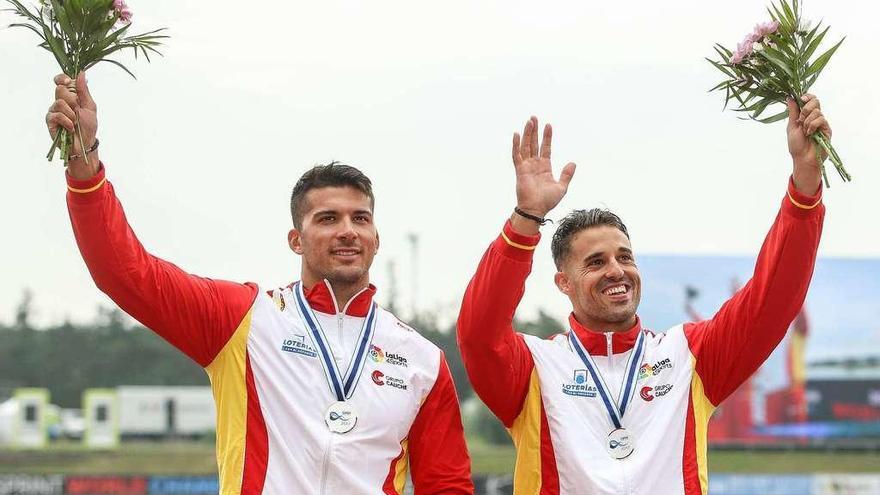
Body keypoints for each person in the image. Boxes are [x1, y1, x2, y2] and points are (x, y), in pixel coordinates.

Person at [47, 73, 473, 495]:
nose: (348, 231)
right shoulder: (243, 321)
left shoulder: (422, 360)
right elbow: (124, 272)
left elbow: (447, 484)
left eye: (360, 218)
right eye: (327, 219)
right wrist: (84, 163)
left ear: (376, 239)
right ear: (296, 240)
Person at [457, 97, 828, 493]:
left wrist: (805, 184)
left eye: (625, 257)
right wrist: (525, 222)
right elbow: (478, 334)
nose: (617, 270)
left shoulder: (689, 356)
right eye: (596, 262)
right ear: (563, 283)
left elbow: (772, 300)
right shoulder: (533, 368)